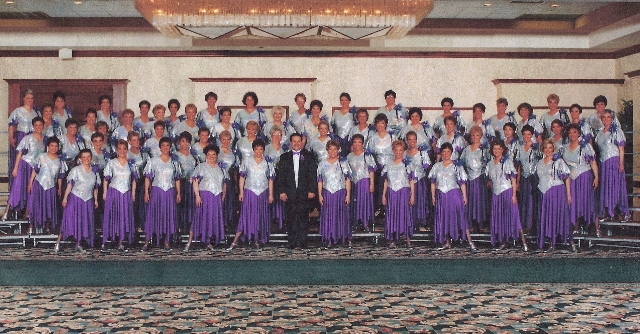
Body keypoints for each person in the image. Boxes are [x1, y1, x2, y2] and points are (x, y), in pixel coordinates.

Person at [228, 139, 275, 249]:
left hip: (263, 192)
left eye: (261, 149)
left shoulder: (268, 162)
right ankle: (235, 241)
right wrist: (241, 192)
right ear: (253, 149)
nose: (258, 151)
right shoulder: (247, 161)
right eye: (256, 149)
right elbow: (242, 177)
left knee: (260, 215)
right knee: (246, 216)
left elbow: (271, 180)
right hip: (249, 192)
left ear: (263, 150)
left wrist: (271, 194)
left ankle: (257, 239)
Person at [429, 142, 476, 251]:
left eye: (448, 152)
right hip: (441, 194)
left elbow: (462, 183)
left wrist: (464, 196)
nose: (446, 154)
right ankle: (447, 242)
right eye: (444, 151)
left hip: (454, 194)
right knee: (443, 217)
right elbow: (433, 183)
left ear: (451, 153)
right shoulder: (436, 166)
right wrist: (433, 196)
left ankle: (470, 241)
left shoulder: (456, 165)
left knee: (461, 217)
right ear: (441, 152)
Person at [276, 133, 318, 249]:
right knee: (291, 218)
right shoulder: (284, 157)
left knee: (304, 217)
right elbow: (281, 176)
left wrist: (311, 190)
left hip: (304, 192)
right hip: (290, 193)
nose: (296, 143)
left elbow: (312, 175)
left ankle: (303, 241)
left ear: (302, 142)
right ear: (290, 143)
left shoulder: (309, 156)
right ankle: (292, 241)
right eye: (294, 141)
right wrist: (282, 191)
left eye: (298, 141)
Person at [55, 149, 100, 252]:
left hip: (88, 200)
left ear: (91, 158)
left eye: (88, 156)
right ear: (80, 159)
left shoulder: (95, 172)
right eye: (84, 157)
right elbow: (70, 184)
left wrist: (96, 200)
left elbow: (95, 188)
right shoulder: (75, 170)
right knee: (69, 219)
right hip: (75, 198)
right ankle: (58, 242)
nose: (86, 159)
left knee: (84, 222)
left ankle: (78, 243)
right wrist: (65, 198)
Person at [486, 139, 528, 251]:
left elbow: (513, 179)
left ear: (502, 150)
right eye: (494, 149)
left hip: (507, 191)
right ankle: (503, 241)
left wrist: (514, 195)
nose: (496, 151)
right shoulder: (490, 164)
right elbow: (489, 178)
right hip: (496, 193)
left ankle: (523, 241)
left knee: (514, 216)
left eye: (499, 149)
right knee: (499, 217)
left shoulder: (507, 162)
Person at [3, 117, 45, 223]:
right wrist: (16, 167)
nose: (38, 127)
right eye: (36, 125)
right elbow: (20, 152)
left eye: (40, 125)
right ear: (33, 126)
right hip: (25, 165)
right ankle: (6, 212)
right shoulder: (28, 138)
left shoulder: (45, 139)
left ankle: (27, 213)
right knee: (17, 187)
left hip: (36, 168)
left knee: (32, 190)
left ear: (43, 126)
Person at [143, 137, 182, 251]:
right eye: (163, 145)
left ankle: (166, 240)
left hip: (169, 191)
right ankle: (147, 241)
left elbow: (177, 179)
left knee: (168, 215)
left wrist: (178, 193)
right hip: (157, 190)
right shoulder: (153, 161)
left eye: (167, 145)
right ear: (160, 147)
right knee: (153, 214)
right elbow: (148, 177)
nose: (165, 148)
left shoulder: (174, 162)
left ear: (170, 147)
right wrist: (146, 192)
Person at [186, 144, 227, 251]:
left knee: (211, 219)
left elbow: (224, 183)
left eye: (214, 154)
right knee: (198, 218)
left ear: (217, 155)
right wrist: (197, 196)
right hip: (205, 196)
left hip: (216, 197)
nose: (212, 157)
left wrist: (223, 195)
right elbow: (195, 182)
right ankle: (189, 242)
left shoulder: (221, 168)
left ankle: (208, 241)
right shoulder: (201, 167)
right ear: (205, 155)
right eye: (209, 154)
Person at [536, 139, 575, 251]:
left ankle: (571, 242)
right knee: (548, 217)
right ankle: (551, 242)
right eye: (545, 147)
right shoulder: (539, 162)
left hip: (556, 192)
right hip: (544, 192)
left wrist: (568, 194)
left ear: (553, 148)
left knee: (561, 216)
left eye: (550, 147)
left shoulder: (558, 161)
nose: (548, 150)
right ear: (542, 149)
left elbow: (566, 178)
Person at [562, 123, 600, 236]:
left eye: (574, 132)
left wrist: (596, 177)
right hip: (571, 179)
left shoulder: (585, 146)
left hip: (584, 177)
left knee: (587, 201)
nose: (572, 134)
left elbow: (593, 162)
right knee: (573, 202)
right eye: (569, 132)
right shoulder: (564, 147)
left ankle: (595, 227)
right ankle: (576, 226)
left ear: (579, 133)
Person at [101, 139, 137, 251]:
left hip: (126, 192)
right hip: (114, 192)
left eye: (124, 149)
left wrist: (133, 193)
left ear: (127, 149)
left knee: (123, 216)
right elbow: (106, 179)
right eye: (120, 149)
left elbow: (134, 180)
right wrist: (105, 192)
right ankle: (108, 239)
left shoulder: (131, 163)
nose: (122, 151)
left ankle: (121, 241)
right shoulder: (111, 163)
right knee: (112, 215)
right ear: (117, 150)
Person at [596, 109, 630, 221]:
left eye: (608, 117)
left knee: (614, 186)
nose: (606, 119)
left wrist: (621, 163)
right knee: (605, 187)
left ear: (612, 118)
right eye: (604, 117)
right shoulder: (600, 132)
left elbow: (621, 148)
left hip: (613, 161)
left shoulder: (616, 131)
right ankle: (607, 211)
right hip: (603, 163)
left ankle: (621, 211)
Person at [317, 140, 352, 248]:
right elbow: (320, 180)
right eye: (330, 149)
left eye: (335, 149)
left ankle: (343, 237)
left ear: (338, 150)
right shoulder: (322, 163)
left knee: (341, 215)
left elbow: (347, 179)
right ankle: (329, 238)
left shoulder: (343, 162)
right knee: (328, 216)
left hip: (340, 192)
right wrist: (320, 194)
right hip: (327, 192)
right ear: (327, 150)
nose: (333, 151)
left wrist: (348, 194)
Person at [28, 136, 65, 234]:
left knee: (49, 207)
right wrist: (30, 183)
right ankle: (31, 226)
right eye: (52, 145)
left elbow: (60, 176)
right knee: (37, 206)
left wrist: (59, 188)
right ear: (48, 146)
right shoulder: (41, 157)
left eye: (56, 146)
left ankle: (47, 227)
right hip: (39, 185)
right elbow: (35, 170)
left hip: (51, 186)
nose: (54, 148)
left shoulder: (60, 160)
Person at [382, 140, 415, 248]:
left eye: (400, 150)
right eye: (396, 150)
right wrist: (383, 195)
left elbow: (411, 181)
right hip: (392, 192)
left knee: (405, 214)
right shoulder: (388, 164)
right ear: (393, 151)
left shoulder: (407, 164)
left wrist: (412, 195)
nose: (398, 152)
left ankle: (408, 239)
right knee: (392, 215)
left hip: (404, 192)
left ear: (403, 151)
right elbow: (386, 180)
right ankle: (393, 239)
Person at [460, 125, 490, 231]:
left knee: (480, 200)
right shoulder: (466, 149)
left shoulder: (484, 149)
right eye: (473, 135)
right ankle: (471, 223)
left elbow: (489, 163)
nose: (475, 137)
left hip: (480, 178)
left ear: (481, 136)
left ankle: (481, 223)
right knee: (470, 200)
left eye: (477, 135)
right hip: (469, 179)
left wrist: (487, 178)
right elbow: (461, 163)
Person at [8, 89, 39, 188]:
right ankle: (16, 189)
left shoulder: (36, 112)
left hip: (33, 139)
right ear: (24, 98)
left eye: (31, 98)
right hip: (21, 137)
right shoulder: (18, 111)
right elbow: (11, 124)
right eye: (28, 98)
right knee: (19, 162)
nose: (29, 100)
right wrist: (11, 137)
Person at [515, 125, 541, 233]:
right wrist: (517, 181)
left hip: (533, 177)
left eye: (529, 134)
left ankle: (531, 225)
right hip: (524, 178)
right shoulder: (520, 148)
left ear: (532, 135)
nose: (526, 136)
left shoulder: (536, 148)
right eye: (524, 134)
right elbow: (519, 165)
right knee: (523, 200)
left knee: (531, 201)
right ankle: (524, 224)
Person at [347, 134, 376, 231]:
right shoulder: (349, 156)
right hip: (353, 182)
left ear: (363, 143)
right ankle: (354, 223)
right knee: (354, 203)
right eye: (355, 142)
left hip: (364, 181)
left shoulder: (367, 155)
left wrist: (371, 184)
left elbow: (371, 170)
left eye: (359, 142)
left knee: (364, 202)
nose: (357, 144)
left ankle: (365, 223)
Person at [367, 114, 394, 217]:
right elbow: (369, 153)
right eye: (378, 123)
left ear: (386, 124)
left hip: (391, 167)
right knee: (379, 190)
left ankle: (390, 211)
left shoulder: (392, 136)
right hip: (378, 167)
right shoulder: (372, 138)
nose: (380, 125)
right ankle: (379, 211)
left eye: (382, 123)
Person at [404, 131, 431, 230]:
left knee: (420, 200)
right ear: (407, 141)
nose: (412, 141)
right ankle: (411, 222)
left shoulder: (422, 153)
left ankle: (420, 222)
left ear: (416, 140)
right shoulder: (404, 153)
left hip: (420, 181)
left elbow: (427, 167)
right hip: (408, 182)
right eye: (409, 139)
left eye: (414, 139)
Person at [175, 132, 197, 235]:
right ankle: (181, 227)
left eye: (187, 141)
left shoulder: (193, 155)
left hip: (191, 184)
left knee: (190, 205)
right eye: (182, 141)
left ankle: (190, 228)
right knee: (181, 205)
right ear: (179, 142)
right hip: (181, 183)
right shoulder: (176, 155)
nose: (185, 144)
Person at [265, 125, 286, 230]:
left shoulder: (284, 148)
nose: (277, 137)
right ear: (271, 135)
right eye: (275, 135)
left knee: (280, 198)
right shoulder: (267, 148)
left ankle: (281, 221)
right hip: (270, 177)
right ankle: (271, 221)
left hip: (281, 177)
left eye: (279, 135)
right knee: (271, 197)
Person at [127, 131, 148, 232]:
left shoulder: (144, 154)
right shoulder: (126, 154)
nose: (136, 142)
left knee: (142, 204)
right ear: (129, 141)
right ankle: (132, 226)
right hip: (130, 182)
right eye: (134, 140)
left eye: (137, 140)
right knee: (132, 204)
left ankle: (142, 225)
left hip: (142, 182)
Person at [218, 130, 238, 229]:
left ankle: (228, 222)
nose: (226, 141)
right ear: (220, 140)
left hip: (229, 179)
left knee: (230, 200)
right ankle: (220, 222)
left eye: (228, 139)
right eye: (223, 139)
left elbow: (236, 166)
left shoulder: (233, 152)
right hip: (218, 179)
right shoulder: (217, 151)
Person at [331, 93, 356, 157]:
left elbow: (357, 127)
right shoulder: (336, 113)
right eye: (342, 100)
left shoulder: (353, 113)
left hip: (350, 141)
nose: (344, 102)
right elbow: (331, 126)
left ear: (349, 101)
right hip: (338, 141)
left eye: (346, 100)